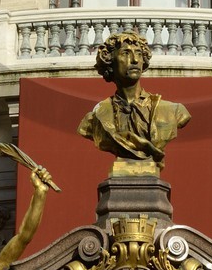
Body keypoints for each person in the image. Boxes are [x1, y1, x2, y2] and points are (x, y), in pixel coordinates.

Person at [78, 32, 190, 172]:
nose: (135, 60)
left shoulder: (172, 111)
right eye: (126, 53)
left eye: (138, 53)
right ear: (110, 61)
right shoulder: (96, 118)